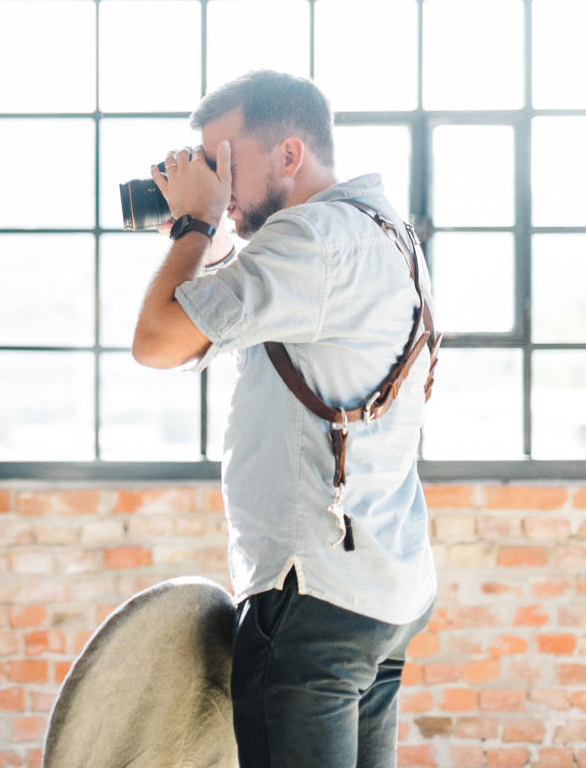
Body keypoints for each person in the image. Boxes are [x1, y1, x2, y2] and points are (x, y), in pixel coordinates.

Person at [131, 70, 437, 768]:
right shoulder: (380, 226)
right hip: (380, 591)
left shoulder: (309, 241)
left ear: (289, 155)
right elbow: (224, 310)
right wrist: (206, 231)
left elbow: (156, 339)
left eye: (224, 161)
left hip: (313, 601)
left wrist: (194, 224)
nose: (216, 182)